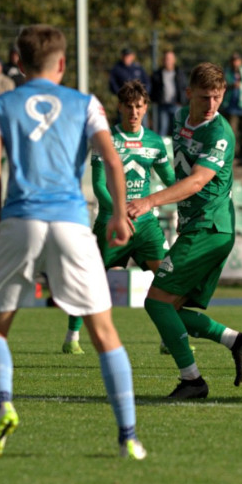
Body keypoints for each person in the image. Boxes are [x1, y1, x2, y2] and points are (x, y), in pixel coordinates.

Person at [0, 24, 145, 460]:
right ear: (63, 64)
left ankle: (3, 405)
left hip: (20, 219)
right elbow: (112, 159)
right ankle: (128, 436)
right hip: (71, 222)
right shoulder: (85, 102)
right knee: (103, 331)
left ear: (17, 63)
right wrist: (118, 217)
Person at [128, 62, 242, 400]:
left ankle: (193, 381)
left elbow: (198, 180)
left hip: (209, 228)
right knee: (171, 308)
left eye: (217, 97)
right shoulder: (177, 120)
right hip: (196, 227)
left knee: (157, 304)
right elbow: (176, 170)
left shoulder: (220, 134)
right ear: (188, 94)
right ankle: (237, 340)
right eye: (205, 97)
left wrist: (150, 202)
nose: (212, 105)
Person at [62, 80, 177, 355]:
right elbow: (99, 185)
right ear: (120, 107)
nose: (134, 112)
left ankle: (169, 340)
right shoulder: (107, 140)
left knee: (167, 279)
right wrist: (118, 212)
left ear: (146, 108)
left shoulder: (155, 142)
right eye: (129, 106)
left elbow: (171, 180)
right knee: (91, 281)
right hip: (110, 226)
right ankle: (71, 337)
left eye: (139, 106)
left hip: (147, 225)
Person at [222, 52, 242, 162]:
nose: (236, 63)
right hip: (231, 106)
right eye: (234, 61)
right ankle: (233, 154)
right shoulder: (227, 72)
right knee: (232, 132)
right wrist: (232, 85)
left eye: (238, 60)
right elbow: (223, 86)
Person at [149, 49, 187, 138]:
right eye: (166, 58)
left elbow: (184, 88)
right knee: (162, 129)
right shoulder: (157, 74)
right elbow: (152, 89)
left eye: (170, 58)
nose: (168, 61)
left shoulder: (179, 73)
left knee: (178, 129)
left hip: (176, 105)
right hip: (162, 106)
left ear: (174, 60)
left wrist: (182, 100)